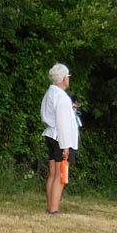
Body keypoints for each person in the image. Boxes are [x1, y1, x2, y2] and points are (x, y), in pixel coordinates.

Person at [40, 64, 78, 215]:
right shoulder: (61, 97)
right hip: (60, 138)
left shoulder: (50, 93)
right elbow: (62, 123)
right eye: (67, 77)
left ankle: (50, 206)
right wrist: (65, 146)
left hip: (50, 134)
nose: (68, 79)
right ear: (63, 78)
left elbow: (45, 116)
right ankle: (54, 210)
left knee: (53, 174)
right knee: (60, 174)